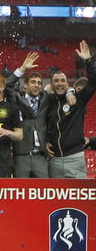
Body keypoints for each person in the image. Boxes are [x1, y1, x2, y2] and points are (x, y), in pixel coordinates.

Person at [47, 40, 96, 178]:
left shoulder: (78, 99)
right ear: (51, 84)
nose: (60, 84)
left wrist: (89, 61)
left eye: (63, 80)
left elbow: (93, 83)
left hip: (75, 158)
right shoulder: (48, 101)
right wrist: (44, 142)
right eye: (56, 81)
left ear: (67, 83)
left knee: (79, 199)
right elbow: (40, 124)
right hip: (54, 161)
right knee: (55, 199)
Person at [5, 52, 54, 178]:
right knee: (21, 193)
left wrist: (70, 92)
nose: (36, 85)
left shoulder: (46, 100)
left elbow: (64, 89)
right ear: (25, 85)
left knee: (42, 193)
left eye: (39, 83)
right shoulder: (17, 100)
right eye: (33, 82)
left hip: (41, 156)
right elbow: (7, 86)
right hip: (22, 155)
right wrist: (22, 69)